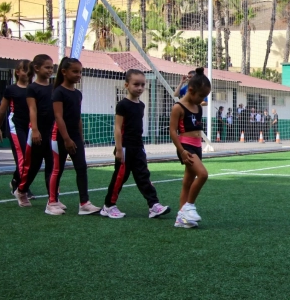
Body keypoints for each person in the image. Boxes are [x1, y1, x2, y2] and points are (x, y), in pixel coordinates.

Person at [102, 69, 171, 219]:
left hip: (138, 147)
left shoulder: (141, 105)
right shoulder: (123, 105)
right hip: (125, 148)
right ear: (127, 85)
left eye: (142, 84)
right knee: (120, 177)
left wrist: (141, 148)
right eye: (136, 84)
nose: (140, 88)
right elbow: (118, 128)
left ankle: (154, 205)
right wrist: (119, 149)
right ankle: (108, 206)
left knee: (143, 176)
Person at [44, 57, 101, 216]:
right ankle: (52, 202)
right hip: (60, 137)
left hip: (74, 136)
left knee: (82, 168)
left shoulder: (77, 94)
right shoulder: (58, 92)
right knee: (57, 169)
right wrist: (67, 139)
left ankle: (84, 203)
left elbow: (77, 117)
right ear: (64, 72)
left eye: (80, 72)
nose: (78, 75)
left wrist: (79, 138)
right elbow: (58, 117)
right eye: (75, 71)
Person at [169, 67, 212, 228]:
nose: (203, 99)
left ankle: (181, 218)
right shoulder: (178, 107)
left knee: (187, 182)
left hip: (197, 146)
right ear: (191, 90)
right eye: (201, 95)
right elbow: (172, 131)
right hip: (186, 147)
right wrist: (181, 150)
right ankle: (189, 206)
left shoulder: (198, 107)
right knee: (203, 175)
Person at [15, 55, 55, 207]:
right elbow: (32, 109)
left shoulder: (53, 87)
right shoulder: (32, 88)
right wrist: (35, 129)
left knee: (52, 165)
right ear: (37, 68)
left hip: (51, 131)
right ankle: (21, 190)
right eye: (47, 67)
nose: (50, 70)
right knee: (33, 166)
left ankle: (53, 198)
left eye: (51, 67)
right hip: (38, 132)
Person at [0, 60, 35, 199]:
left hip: (31, 126)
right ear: (17, 72)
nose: (28, 73)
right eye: (25, 70)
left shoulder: (34, 89)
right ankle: (21, 188)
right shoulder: (11, 89)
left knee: (31, 158)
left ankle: (15, 181)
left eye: (30, 71)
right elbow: (2, 109)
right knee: (23, 158)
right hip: (16, 126)